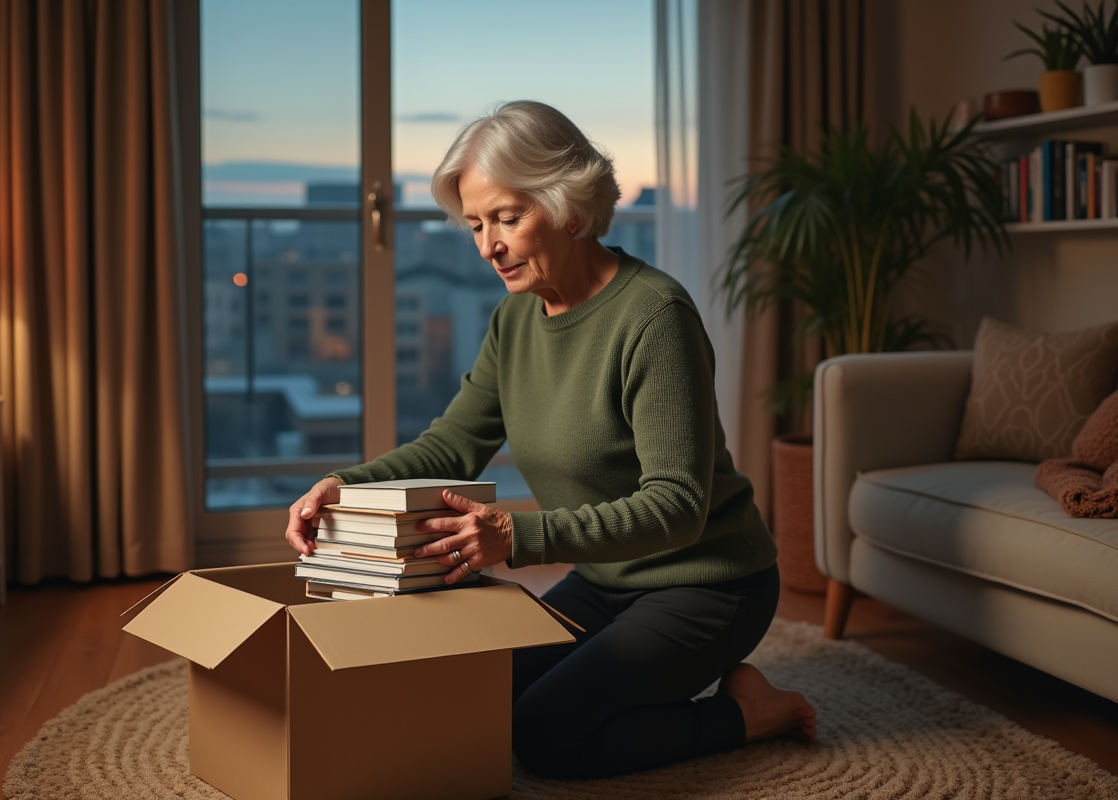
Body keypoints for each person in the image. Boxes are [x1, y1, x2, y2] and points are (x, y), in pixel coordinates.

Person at [284, 100, 816, 780]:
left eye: (507, 217)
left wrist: (517, 537)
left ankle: (749, 714)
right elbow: (450, 447)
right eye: (476, 224)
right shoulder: (516, 320)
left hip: (708, 584)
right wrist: (344, 484)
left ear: (568, 204)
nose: (487, 245)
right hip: (604, 582)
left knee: (543, 737)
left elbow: (678, 505)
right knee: (474, 700)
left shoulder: (655, 315)